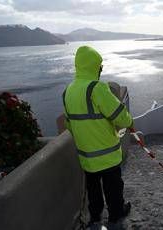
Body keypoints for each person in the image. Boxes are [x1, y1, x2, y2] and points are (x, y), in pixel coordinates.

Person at [62, 46, 133, 226]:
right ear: (94, 66)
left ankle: (95, 218)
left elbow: (69, 124)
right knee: (113, 189)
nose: (101, 70)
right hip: (108, 156)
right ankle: (116, 215)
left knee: (93, 190)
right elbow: (120, 116)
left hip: (87, 157)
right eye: (100, 67)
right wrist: (129, 121)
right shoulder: (97, 88)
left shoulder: (68, 91)